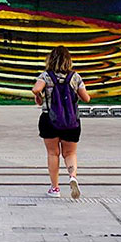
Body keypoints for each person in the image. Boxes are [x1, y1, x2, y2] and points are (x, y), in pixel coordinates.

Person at [33, 46, 90, 198]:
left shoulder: (45, 76)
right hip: (71, 121)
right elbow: (86, 98)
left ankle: (55, 189)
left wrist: (39, 95)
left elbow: (36, 89)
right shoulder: (75, 77)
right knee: (70, 153)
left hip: (49, 120)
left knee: (53, 153)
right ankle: (72, 176)